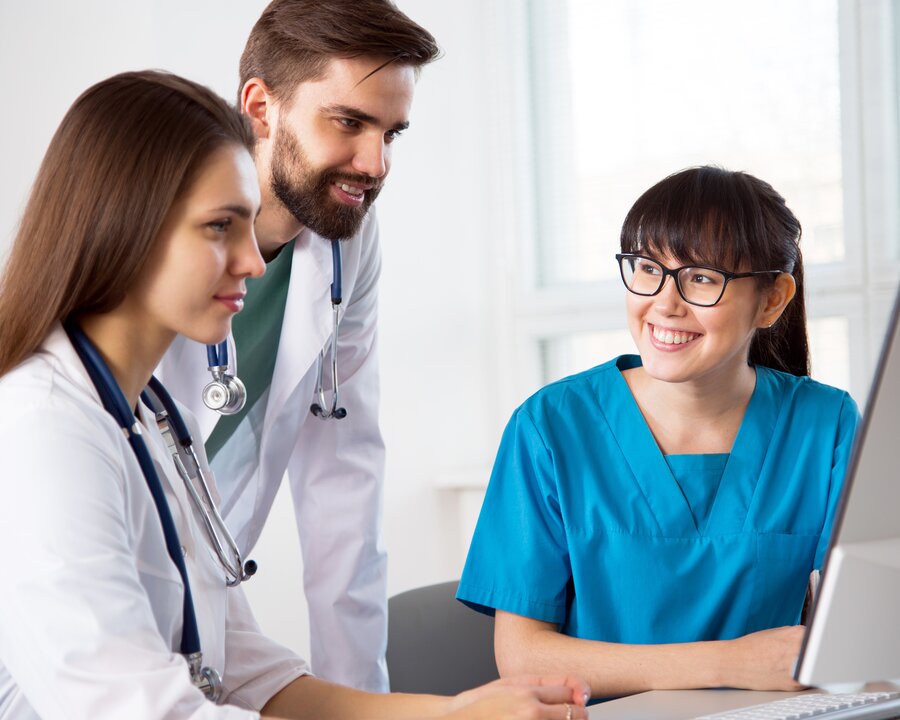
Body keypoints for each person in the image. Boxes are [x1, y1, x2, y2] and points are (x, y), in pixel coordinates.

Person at [0, 69, 589, 720]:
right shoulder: (43, 432)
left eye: (249, 225)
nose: (254, 261)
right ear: (124, 224)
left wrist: (455, 712)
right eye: (220, 227)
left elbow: (253, 675)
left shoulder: (161, 424)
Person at [456, 166, 861, 699]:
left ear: (771, 300)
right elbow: (524, 656)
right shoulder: (551, 427)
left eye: (700, 278)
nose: (664, 303)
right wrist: (730, 663)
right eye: (648, 268)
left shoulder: (824, 425)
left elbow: (864, 621)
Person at [156, 0, 438, 691]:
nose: (374, 164)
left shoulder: (348, 242)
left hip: (199, 603)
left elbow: (345, 483)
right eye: (349, 122)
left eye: (392, 133)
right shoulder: (153, 225)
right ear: (261, 108)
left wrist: (360, 701)